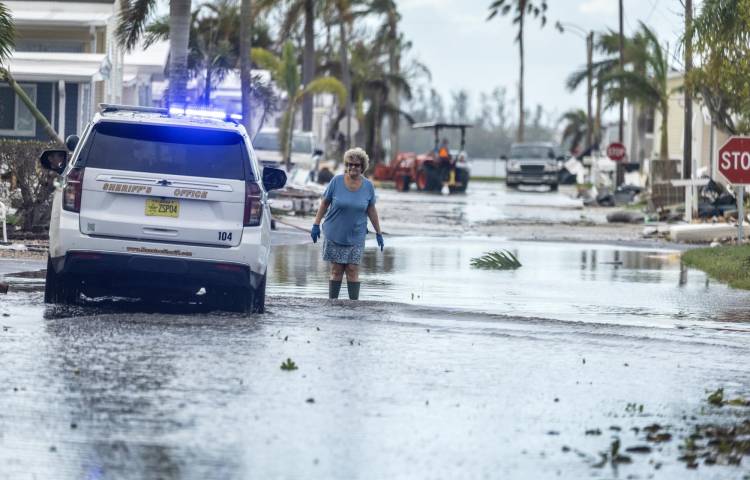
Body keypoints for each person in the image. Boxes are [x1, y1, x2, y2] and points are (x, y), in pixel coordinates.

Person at [310, 147, 384, 300]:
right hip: (335, 232)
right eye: (350, 164)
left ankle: (353, 306)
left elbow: (371, 210)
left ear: (362, 166)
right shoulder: (336, 181)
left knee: (352, 269)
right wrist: (316, 224)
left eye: (356, 165)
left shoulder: (368, 186)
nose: (352, 167)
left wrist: (378, 232)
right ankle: (333, 304)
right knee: (336, 270)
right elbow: (324, 203)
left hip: (356, 235)